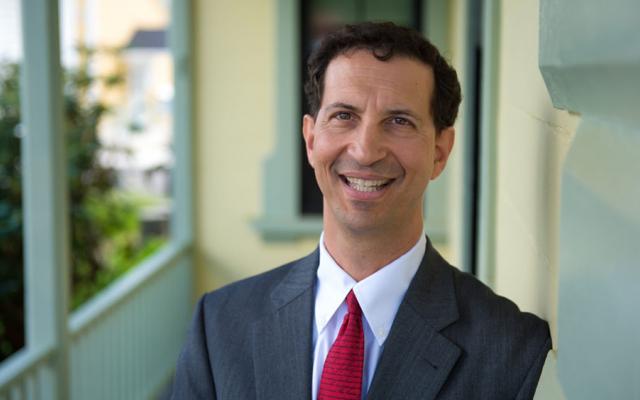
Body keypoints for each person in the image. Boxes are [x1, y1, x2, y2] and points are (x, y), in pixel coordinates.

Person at [171, 22, 551, 400]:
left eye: (399, 121)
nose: (366, 151)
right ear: (310, 138)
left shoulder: (512, 351)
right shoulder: (219, 325)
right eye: (344, 116)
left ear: (440, 151)